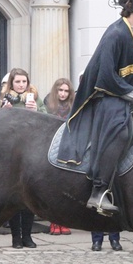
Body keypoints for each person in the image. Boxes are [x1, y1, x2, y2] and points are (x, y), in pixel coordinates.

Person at [58, 0, 133, 215]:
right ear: (132, 5)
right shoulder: (115, 34)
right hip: (106, 97)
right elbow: (105, 77)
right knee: (121, 127)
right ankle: (99, 190)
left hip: (132, 98)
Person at [0, 68, 45, 248]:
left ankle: (27, 235)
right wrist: (4, 111)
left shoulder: (34, 98)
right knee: (13, 199)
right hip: (11, 153)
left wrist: (36, 110)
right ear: (12, 83)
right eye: (17, 82)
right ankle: (15, 237)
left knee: (29, 199)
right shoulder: (5, 100)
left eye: (24, 82)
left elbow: (46, 119)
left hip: (31, 151)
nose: (21, 85)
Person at [44, 78, 75, 234]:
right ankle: (53, 222)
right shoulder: (48, 104)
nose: (62, 94)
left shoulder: (73, 105)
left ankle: (64, 220)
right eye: (60, 90)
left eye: (65, 91)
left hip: (68, 145)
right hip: (51, 144)